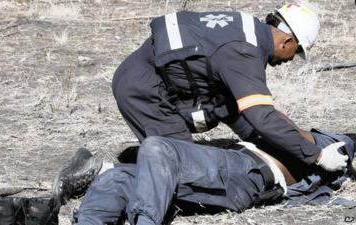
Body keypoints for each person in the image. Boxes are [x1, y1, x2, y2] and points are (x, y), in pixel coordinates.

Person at [111, 2, 347, 173]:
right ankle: (105, 173)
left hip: (147, 76)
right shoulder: (243, 54)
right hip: (144, 91)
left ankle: (141, 160)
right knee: (184, 172)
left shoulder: (249, 30)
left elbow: (234, 108)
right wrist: (317, 156)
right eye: (296, 52)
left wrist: (270, 142)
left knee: (180, 163)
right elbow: (262, 117)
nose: (290, 59)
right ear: (287, 41)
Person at [71, 129, 355, 225]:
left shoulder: (328, 145)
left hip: (245, 171)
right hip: (225, 179)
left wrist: (323, 155)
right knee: (116, 178)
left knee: (157, 147)